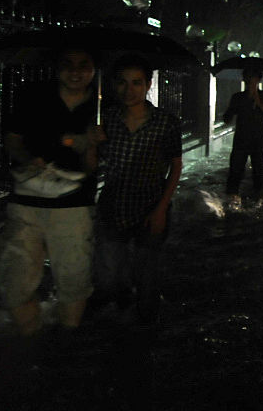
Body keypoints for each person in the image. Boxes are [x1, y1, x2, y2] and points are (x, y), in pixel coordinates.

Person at [0, 48, 100, 335]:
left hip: (74, 207)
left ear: (93, 69)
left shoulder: (102, 106)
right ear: (56, 67)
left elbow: (95, 167)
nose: (75, 72)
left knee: (74, 279)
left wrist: (89, 144)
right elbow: (12, 139)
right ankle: (30, 337)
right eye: (68, 64)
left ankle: (66, 339)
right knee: (13, 280)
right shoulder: (33, 96)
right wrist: (28, 158)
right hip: (26, 202)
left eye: (84, 65)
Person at [93, 54, 181, 325]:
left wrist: (161, 210)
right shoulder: (105, 120)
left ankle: (143, 338)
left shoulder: (166, 123)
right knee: (107, 279)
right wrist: (90, 142)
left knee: (147, 279)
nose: (128, 90)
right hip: (113, 206)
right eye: (121, 83)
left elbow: (175, 168)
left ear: (148, 85)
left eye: (136, 83)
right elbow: (92, 165)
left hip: (150, 206)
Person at [223, 67, 263, 206]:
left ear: (258, 80)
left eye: (253, 78)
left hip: (259, 141)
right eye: (247, 78)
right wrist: (236, 107)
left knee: (259, 174)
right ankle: (232, 200)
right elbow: (227, 118)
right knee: (235, 173)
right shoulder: (238, 97)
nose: (250, 81)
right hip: (241, 141)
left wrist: (259, 103)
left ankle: (259, 201)